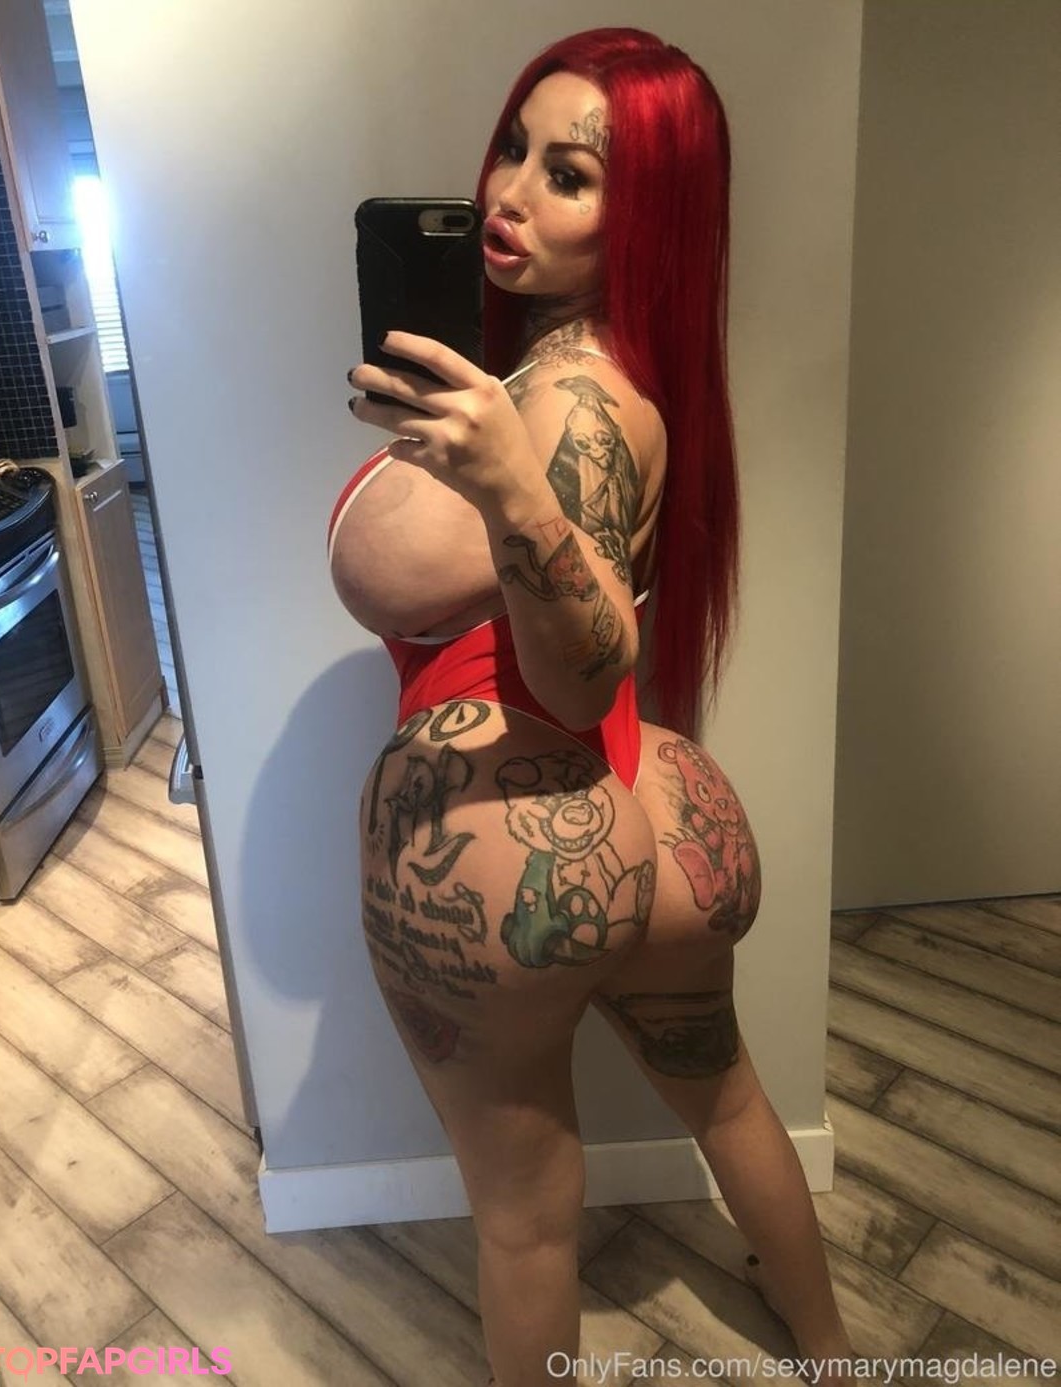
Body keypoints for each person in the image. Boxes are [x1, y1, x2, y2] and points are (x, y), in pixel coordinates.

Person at [330, 27, 857, 1387]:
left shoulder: (562, 404)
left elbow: (581, 668)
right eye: (514, 148)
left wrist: (511, 488)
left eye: (568, 175)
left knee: (523, 1224)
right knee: (730, 1104)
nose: (509, 193)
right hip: (661, 817)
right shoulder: (608, 384)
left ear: (648, 219)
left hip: (508, 837)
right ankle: (831, 1349)